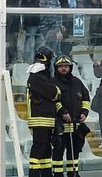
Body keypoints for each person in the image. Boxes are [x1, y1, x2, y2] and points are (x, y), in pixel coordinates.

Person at [52, 55, 91, 177]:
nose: (64, 69)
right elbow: (53, 100)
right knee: (58, 151)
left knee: (74, 153)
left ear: (70, 67)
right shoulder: (53, 82)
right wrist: (63, 112)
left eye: (66, 66)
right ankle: (57, 174)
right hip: (59, 125)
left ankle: (73, 173)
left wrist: (84, 113)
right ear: (56, 68)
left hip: (75, 125)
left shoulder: (77, 82)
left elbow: (85, 97)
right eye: (61, 67)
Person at [26, 46, 59, 177]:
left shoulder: (41, 76)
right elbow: (53, 92)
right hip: (40, 118)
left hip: (46, 118)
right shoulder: (36, 77)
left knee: (45, 151)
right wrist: (57, 91)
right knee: (39, 148)